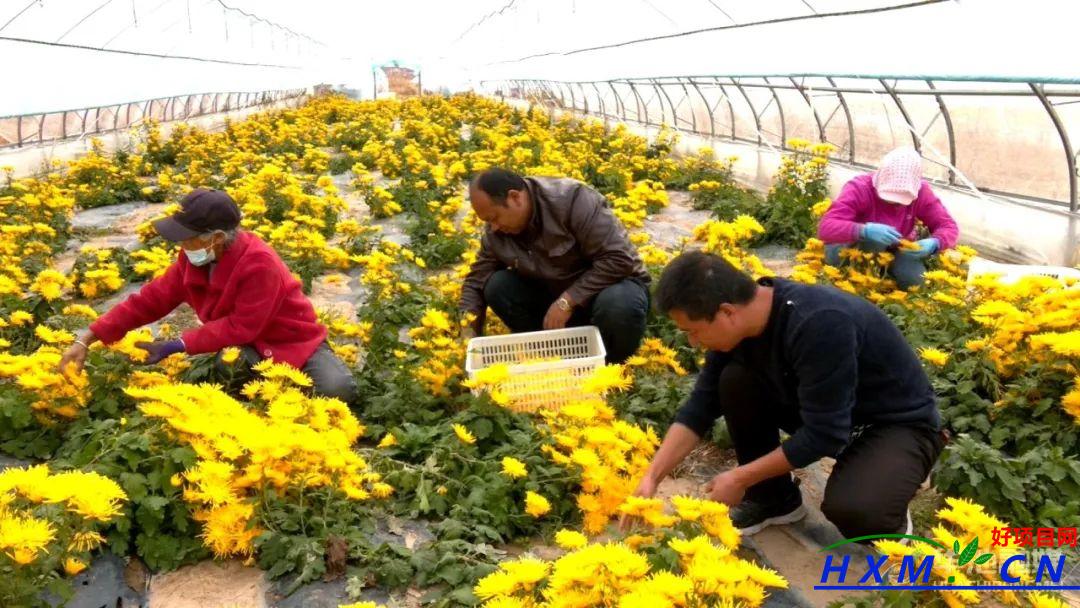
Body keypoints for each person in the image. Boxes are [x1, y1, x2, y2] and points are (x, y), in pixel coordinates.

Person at [631, 251, 944, 538]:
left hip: (896, 424)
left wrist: (740, 477)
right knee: (734, 379)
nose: (693, 342)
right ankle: (773, 500)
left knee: (857, 512)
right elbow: (700, 407)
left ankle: (890, 498)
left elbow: (824, 435)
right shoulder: (742, 327)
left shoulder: (819, 323)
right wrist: (652, 477)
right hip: (836, 414)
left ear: (727, 312)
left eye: (693, 330)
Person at [58, 188, 357, 403]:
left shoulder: (259, 264)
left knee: (337, 391)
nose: (181, 244)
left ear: (215, 238)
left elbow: (242, 325)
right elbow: (151, 299)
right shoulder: (192, 259)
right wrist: (88, 337)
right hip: (249, 348)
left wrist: (179, 344)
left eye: (185, 237)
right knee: (228, 368)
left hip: (293, 342)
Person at [460, 168, 651, 363]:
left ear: (515, 197)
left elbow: (619, 259)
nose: (493, 227)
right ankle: (546, 357)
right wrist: (468, 335)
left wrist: (568, 300)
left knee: (618, 304)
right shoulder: (497, 232)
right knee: (498, 286)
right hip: (555, 300)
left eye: (494, 218)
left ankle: (612, 367)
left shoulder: (572, 200)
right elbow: (476, 281)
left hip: (606, 292)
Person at [818, 147, 959, 289]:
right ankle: (859, 283)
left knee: (917, 282)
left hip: (893, 249)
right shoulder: (859, 188)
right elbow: (826, 227)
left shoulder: (921, 192)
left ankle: (886, 285)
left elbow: (948, 226)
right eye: (888, 196)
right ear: (880, 179)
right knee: (873, 244)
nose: (894, 202)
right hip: (849, 248)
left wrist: (935, 242)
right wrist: (863, 230)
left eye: (900, 200)